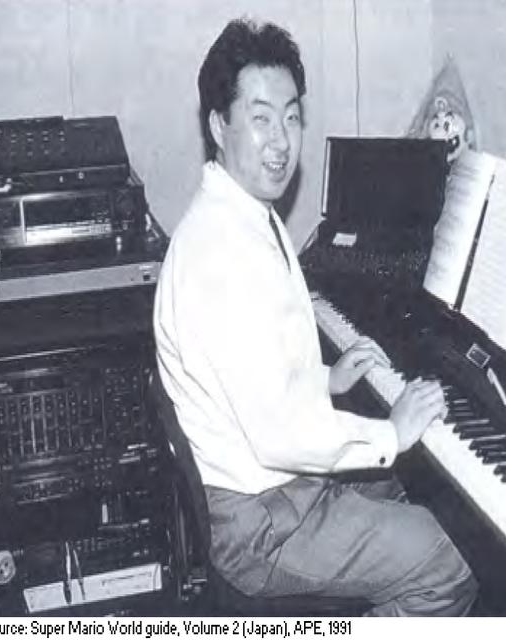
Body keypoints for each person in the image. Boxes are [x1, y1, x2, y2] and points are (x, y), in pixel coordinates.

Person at [154, 18, 477, 616]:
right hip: (262, 524)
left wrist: (326, 378)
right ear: (219, 126)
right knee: (448, 562)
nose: (281, 141)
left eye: (292, 117)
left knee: (425, 495)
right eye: (260, 118)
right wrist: (391, 433)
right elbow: (279, 434)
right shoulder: (216, 257)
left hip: (272, 482)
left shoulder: (246, 214)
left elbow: (256, 372)